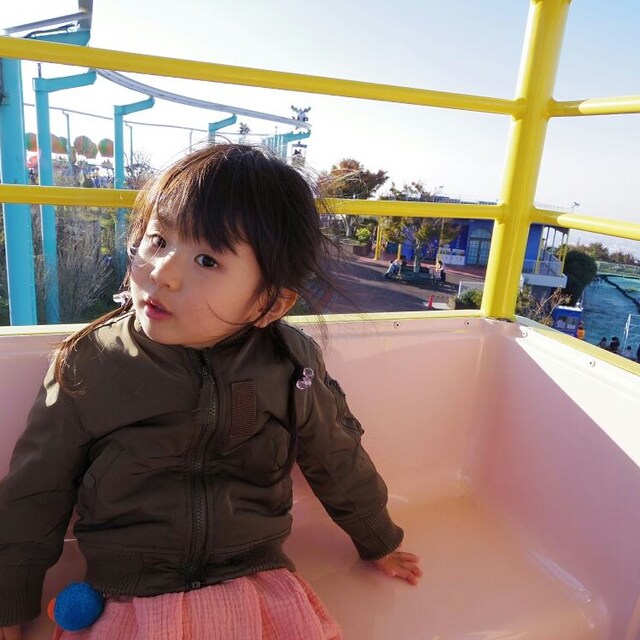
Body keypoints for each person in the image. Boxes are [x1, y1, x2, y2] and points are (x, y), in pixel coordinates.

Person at [0, 145, 421, 640]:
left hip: (253, 574)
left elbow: (335, 454)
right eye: (158, 240)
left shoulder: (288, 361)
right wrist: (10, 601)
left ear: (268, 304)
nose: (163, 272)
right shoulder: (90, 361)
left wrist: (378, 538)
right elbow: (37, 488)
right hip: (131, 588)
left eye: (206, 259)